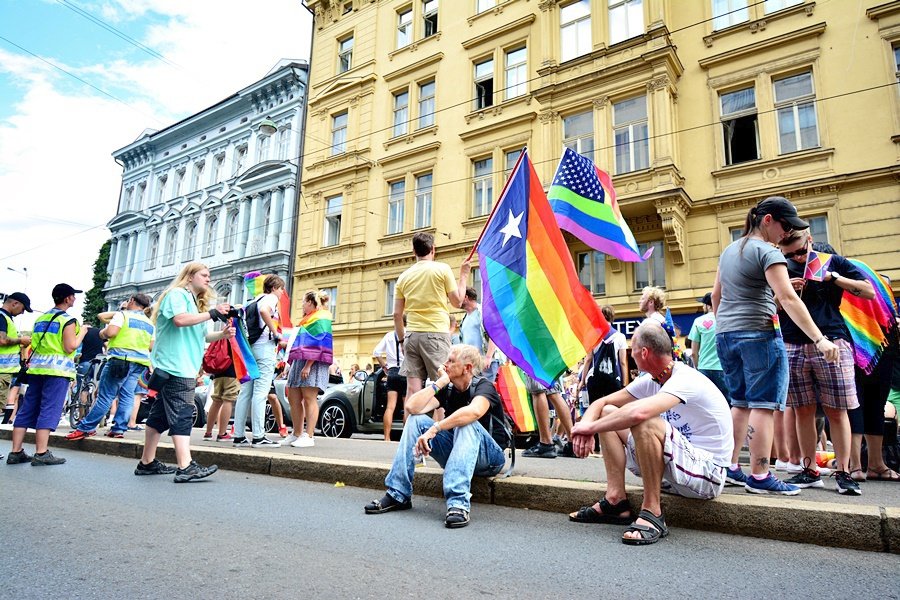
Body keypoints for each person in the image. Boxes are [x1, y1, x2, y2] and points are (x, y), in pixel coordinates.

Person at [713, 196, 838, 495]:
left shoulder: (730, 250)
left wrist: (727, 325)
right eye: (785, 226)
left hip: (727, 334)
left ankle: (730, 467)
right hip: (759, 334)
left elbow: (717, 295)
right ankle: (760, 475)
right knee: (763, 405)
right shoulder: (769, 252)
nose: (786, 234)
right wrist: (819, 339)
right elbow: (788, 299)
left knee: (740, 403)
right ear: (767, 220)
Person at [568, 323, 734, 545]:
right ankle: (616, 500)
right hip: (676, 473)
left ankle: (653, 513)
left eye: (632, 349)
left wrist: (589, 429)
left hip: (708, 476)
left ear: (643, 352)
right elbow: (602, 402)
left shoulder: (685, 378)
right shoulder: (652, 379)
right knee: (609, 413)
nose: (631, 354)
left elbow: (639, 413)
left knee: (643, 419)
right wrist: (585, 427)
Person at [364, 344, 509, 529]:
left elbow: (473, 412)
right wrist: (439, 383)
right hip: (458, 452)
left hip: (490, 459)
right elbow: (412, 407)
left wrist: (435, 428)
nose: (445, 364)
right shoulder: (448, 389)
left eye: (451, 361)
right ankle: (398, 494)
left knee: (466, 422)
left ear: (468, 368)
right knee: (415, 420)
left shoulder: (483, 386)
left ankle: (458, 503)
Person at [775, 229, 873, 495]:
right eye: (789, 252)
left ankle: (844, 471)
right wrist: (782, 296)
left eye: (800, 250)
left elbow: (868, 292)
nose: (796, 256)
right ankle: (809, 470)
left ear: (808, 240)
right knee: (802, 409)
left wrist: (834, 278)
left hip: (833, 338)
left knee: (837, 409)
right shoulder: (777, 265)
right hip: (792, 341)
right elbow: (766, 305)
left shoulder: (831, 260)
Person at [135, 262, 233, 482]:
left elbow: (200, 335)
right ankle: (185, 465)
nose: (209, 279)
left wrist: (222, 335)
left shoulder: (192, 302)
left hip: (180, 365)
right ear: (190, 276)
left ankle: (147, 462)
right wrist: (213, 313)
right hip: (176, 366)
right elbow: (180, 321)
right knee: (182, 413)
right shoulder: (177, 295)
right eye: (204, 275)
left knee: (159, 417)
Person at [7, 284, 89, 466]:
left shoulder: (41, 318)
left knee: (27, 408)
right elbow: (70, 346)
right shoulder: (68, 320)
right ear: (67, 299)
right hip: (56, 372)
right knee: (49, 409)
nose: (74, 299)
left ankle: (15, 452)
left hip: (36, 370)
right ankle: (41, 453)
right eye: (73, 296)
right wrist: (82, 331)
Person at [66, 294, 155, 440]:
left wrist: (102, 333)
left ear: (132, 301)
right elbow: (151, 346)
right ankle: (118, 429)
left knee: (106, 396)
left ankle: (86, 428)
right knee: (127, 396)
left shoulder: (123, 315)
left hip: (119, 360)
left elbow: (111, 332)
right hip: (139, 363)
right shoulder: (149, 323)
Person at [393, 232, 468, 399]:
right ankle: (439, 426)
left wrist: (401, 341)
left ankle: (411, 426)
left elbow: (397, 315)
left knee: (412, 391)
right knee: (441, 388)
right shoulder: (442, 269)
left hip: (412, 335)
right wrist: (463, 275)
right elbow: (457, 302)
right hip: (436, 334)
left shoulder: (403, 277)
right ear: (433, 249)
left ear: (414, 251)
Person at [232, 274, 285, 448]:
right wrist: (275, 333)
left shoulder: (253, 300)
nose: (282, 292)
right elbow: (264, 311)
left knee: (246, 392)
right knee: (261, 393)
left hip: (251, 347)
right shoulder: (270, 298)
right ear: (274, 287)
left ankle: (239, 435)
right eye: (281, 288)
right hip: (264, 348)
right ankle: (258, 436)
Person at [285, 290, 332, 448]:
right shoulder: (309, 318)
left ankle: (309, 435)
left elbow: (319, 343)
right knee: (293, 397)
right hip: (301, 360)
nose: (303, 305)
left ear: (311, 303)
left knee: (309, 398)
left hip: (312, 362)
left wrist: (308, 365)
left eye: (304, 302)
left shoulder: (321, 318)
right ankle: (296, 433)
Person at [0, 293, 32, 437]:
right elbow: (2, 340)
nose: (22, 312)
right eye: (23, 309)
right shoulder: (2, 317)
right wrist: (20, 340)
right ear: (15, 304)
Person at [688, 292, 730, 403]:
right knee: (727, 402)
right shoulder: (726, 319)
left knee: (707, 402)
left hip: (704, 368)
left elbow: (694, 352)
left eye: (703, 304)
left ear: (708, 306)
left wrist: (698, 366)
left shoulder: (698, 321)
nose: (702, 306)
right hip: (723, 368)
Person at [374, 318, 407, 441]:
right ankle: (405, 439)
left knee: (390, 407)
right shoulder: (409, 333)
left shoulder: (389, 335)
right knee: (406, 407)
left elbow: (376, 352)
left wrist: (384, 366)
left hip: (392, 372)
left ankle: (386, 438)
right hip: (406, 371)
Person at [459, 287, 500, 382]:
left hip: (485, 362)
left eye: (459, 295)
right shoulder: (464, 319)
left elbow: (494, 335)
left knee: (485, 392)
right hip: (471, 364)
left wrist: (488, 357)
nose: (456, 299)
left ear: (465, 297)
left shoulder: (483, 312)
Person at [203, 344, 238, 442]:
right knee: (228, 399)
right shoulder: (235, 332)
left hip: (218, 370)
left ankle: (208, 432)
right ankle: (222, 433)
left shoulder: (222, 334)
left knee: (216, 400)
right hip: (231, 369)